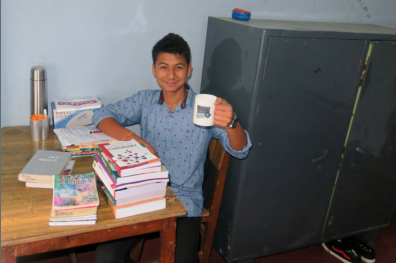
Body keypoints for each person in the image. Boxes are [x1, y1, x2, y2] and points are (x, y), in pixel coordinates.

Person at [92, 33, 252, 263]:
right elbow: (101, 114)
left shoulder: (204, 108)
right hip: (142, 191)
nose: (171, 74)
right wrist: (132, 139)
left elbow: (241, 149)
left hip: (184, 200)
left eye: (178, 67)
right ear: (154, 70)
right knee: (106, 257)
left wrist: (232, 122)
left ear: (189, 70)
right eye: (164, 67)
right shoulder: (145, 101)